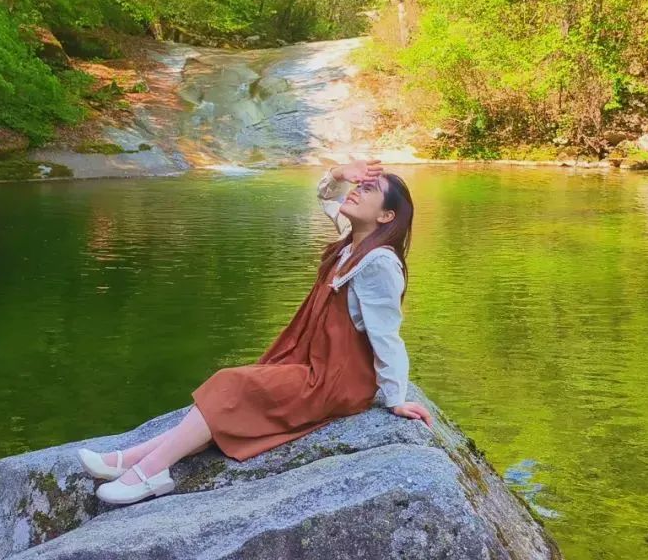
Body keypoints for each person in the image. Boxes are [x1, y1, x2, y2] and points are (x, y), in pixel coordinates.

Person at [77, 158, 432, 504]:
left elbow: (386, 334)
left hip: (336, 380)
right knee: (235, 399)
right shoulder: (351, 241)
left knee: (231, 384)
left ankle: (151, 472)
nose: (356, 190)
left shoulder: (379, 262)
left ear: (386, 216)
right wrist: (340, 173)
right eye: (359, 184)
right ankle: (130, 459)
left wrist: (396, 398)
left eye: (368, 189)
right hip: (312, 360)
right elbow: (327, 196)